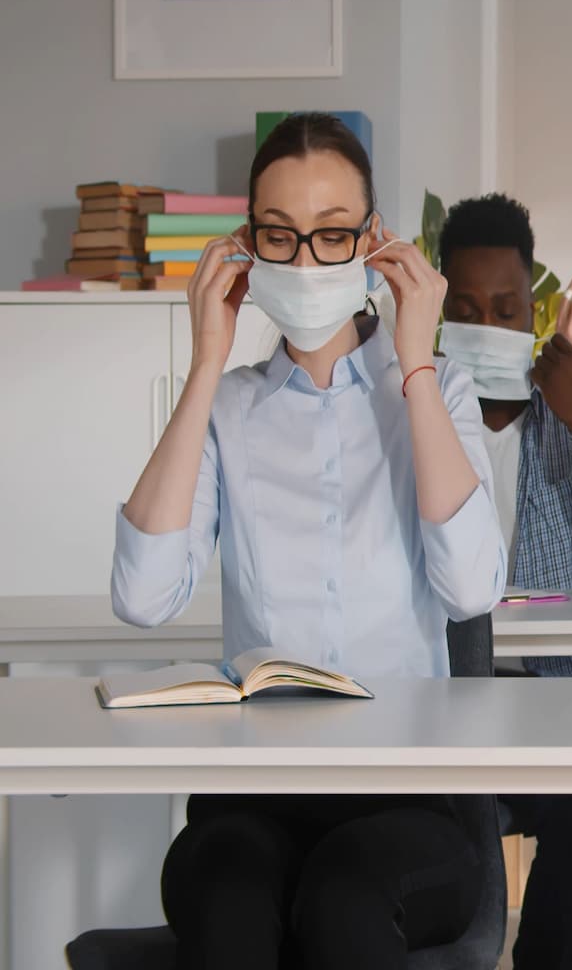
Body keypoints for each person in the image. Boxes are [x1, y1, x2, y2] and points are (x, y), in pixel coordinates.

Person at [113, 113, 506, 969]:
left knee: (343, 900)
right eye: (279, 237)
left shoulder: (439, 395)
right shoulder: (230, 407)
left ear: (373, 241)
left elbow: (473, 588)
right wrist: (206, 366)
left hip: (407, 801)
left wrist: (418, 365)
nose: (303, 262)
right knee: (227, 899)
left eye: (331, 237)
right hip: (251, 798)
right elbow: (144, 598)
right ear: (245, 247)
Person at [436, 192, 572, 970]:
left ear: (532, 313)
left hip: (557, 705)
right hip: (443, 708)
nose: (486, 328)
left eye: (504, 309)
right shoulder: (416, 421)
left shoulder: (565, 419)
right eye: (465, 309)